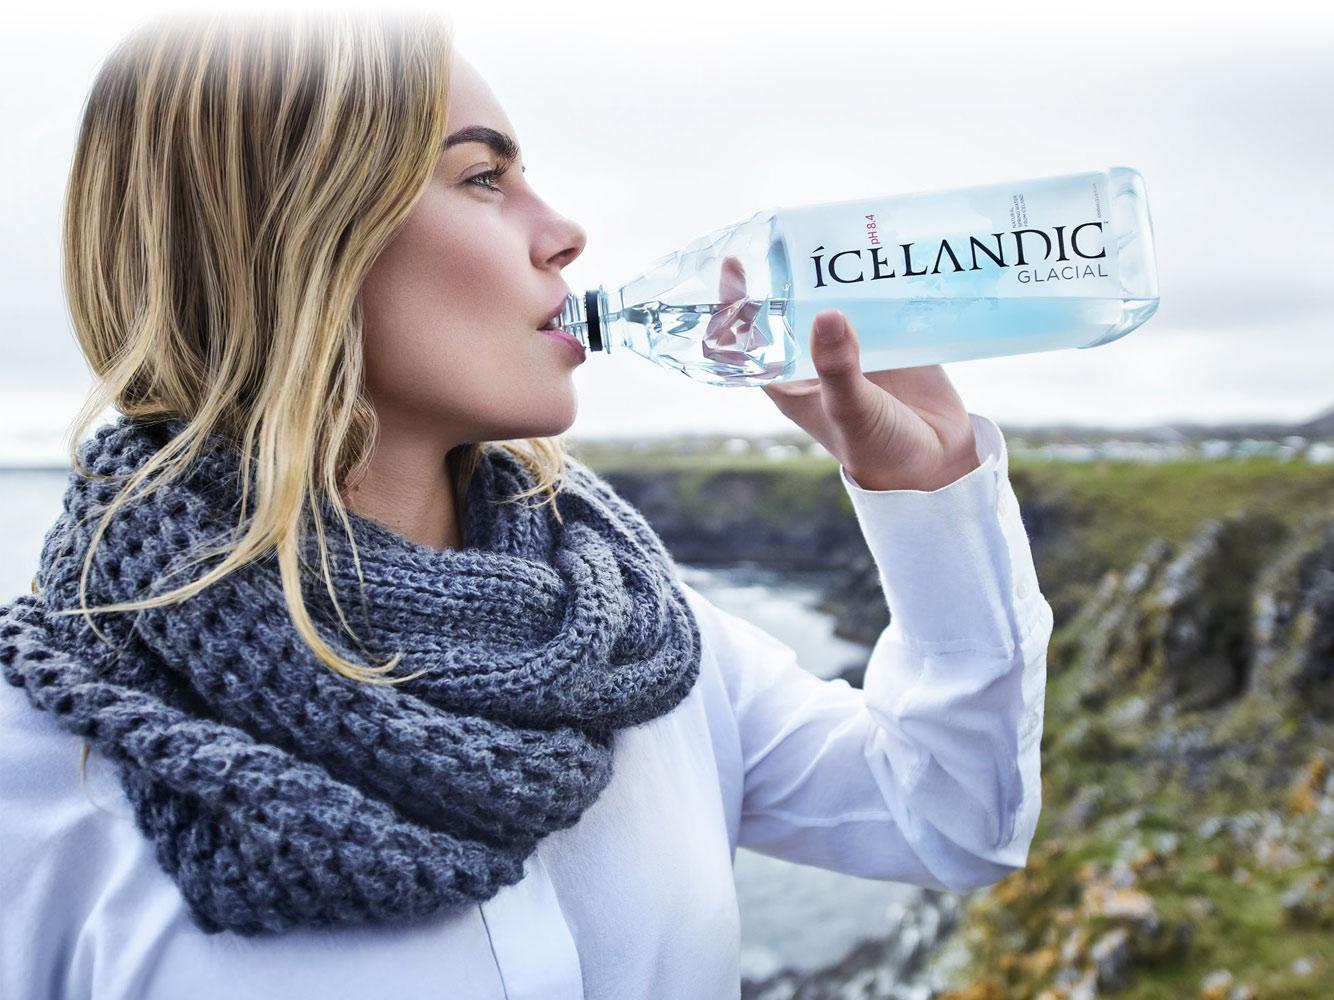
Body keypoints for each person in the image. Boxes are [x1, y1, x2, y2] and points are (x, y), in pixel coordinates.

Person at [0, 10, 1054, 1000]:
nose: (564, 233)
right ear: (293, 239)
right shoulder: (45, 765)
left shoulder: (631, 638)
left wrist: (932, 485)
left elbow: (952, 818)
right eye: (482, 176)